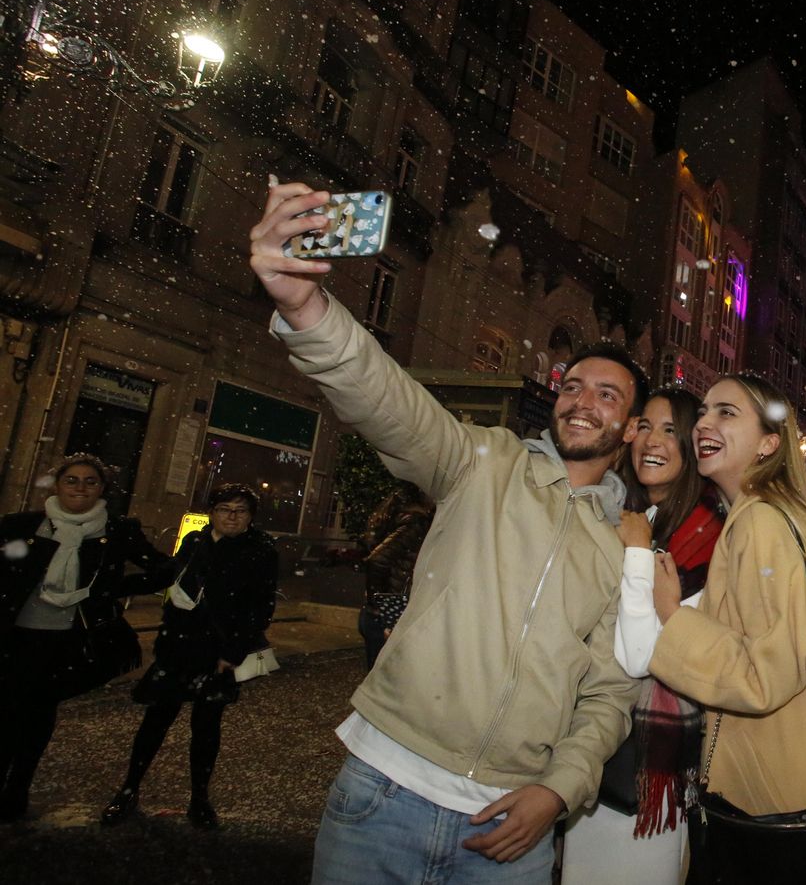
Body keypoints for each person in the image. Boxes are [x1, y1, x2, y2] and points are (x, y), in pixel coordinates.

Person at [249, 181, 643, 883]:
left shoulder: (625, 548)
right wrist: (306, 309)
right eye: (572, 386)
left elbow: (609, 692)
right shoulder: (483, 461)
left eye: (606, 395)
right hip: (382, 795)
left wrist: (560, 791)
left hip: (512, 830)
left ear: (632, 429)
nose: (582, 401)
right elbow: (391, 403)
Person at [646, 373, 806, 885]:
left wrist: (672, 616)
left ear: (769, 444)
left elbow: (765, 676)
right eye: (704, 411)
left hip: (777, 785)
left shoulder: (761, 522)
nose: (704, 422)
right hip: (796, 770)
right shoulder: (773, 513)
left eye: (727, 412)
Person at [562, 387, 723, 883]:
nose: (653, 441)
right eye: (646, 426)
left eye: (671, 430)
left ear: (691, 446)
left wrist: (635, 554)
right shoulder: (625, 512)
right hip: (590, 737)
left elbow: (640, 656)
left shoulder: (705, 536)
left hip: (647, 761)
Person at [0, 454, 170, 822]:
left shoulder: (117, 530)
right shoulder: (22, 525)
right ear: (57, 485)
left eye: (90, 481)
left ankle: (16, 791)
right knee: (9, 711)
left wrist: (115, 589)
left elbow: (163, 568)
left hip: (69, 639)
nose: (80, 487)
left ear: (102, 488)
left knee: (37, 712)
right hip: (18, 635)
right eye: (72, 480)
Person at [100, 484, 280, 829]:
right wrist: (117, 586)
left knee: (206, 726)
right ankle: (129, 789)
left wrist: (233, 652)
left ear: (250, 517)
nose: (231, 516)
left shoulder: (260, 551)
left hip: (217, 650)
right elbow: (170, 575)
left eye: (240, 510)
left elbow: (260, 607)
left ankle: (199, 799)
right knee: (155, 721)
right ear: (211, 512)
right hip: (178, 644)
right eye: (224, 508)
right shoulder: (195, 540)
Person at [357, 484, 434, 670]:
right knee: (388, 680)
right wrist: (384, 610)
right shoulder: (416, 522)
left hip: (376, 617)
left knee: (380, 679)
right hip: (386, 618)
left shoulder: (397, 518)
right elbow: (377, 561)